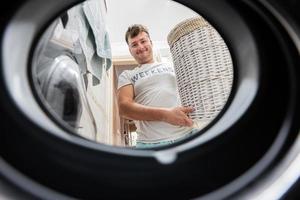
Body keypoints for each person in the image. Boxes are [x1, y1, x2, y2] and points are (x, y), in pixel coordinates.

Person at [117, 24, 196, 148]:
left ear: (151, 42)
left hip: (187, 135)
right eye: (134, 44)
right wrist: (165, 115)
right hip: (151, 145)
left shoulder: (171, 65)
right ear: (130, 50)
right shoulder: (127, 75)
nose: (140, 47)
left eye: (143, 41)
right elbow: (124, 108)